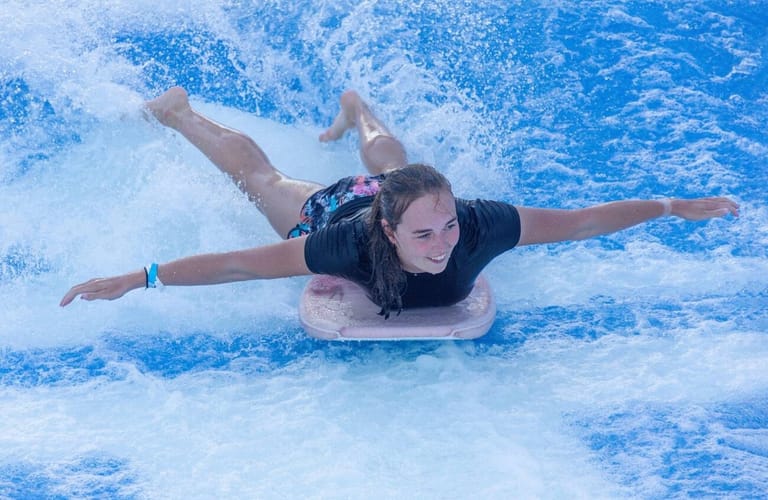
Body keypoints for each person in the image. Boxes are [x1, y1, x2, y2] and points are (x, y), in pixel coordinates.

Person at [59, 87, 739, 318]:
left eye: (448, 227)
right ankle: (180, 113)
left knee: (401, 168)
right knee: (264, 183)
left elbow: (586, 221)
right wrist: (139, 278)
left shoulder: (478, 225)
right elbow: (242, 266)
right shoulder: (346, 243)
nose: (445, 244)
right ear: (387, 233)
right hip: (338, 205)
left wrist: (672, 205)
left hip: (395, 194)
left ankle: (359, 109)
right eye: (425, 237)